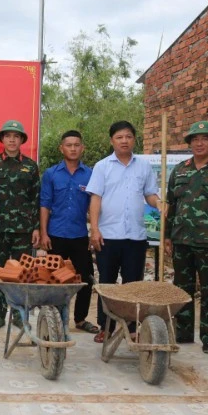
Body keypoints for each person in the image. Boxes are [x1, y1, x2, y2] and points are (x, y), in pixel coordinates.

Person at [87, 120, 162, 343]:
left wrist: (159, 203)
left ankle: (132, 327)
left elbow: (150, 194)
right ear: (112, 141)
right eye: (119, 137)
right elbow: (95, 198)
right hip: (108, 236)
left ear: (134, 139)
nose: (124, 141)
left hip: (135, 237)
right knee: (107, 284)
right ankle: (106, 327)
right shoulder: (102, 166)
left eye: (128, 136)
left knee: (133, 285)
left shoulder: (143, 167)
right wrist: (95, 230)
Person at [164, 121, 208, 354]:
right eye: (195, 139)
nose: (199, 143)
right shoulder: (180, 170)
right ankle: (183, 333)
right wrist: (167, 235)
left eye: (205, 138)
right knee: (181, 290)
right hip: (182, 241)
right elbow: (171, 204)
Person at [39, 130, 98, 334]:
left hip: (79, 235)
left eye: (76, 145)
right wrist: (44, 233)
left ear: (83, 148)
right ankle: (53, 318)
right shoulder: (51, 174)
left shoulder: (90, 174)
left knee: (86, 279)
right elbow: (45, 204)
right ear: (61, 148)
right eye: (68, 145)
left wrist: (94, 231)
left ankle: (80, 319)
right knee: (53, 279)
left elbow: (94, 205)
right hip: (55, 235)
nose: (73, 148)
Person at [0, 120, 40, 330]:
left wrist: (36, 227)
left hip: (23, 230)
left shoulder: (30, 166)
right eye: (8, 136)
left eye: (16, 136)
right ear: (2, 139)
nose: (12, 140)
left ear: (22, 140)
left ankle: (18, 314)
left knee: (21, 273)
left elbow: (36, 198)